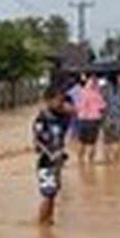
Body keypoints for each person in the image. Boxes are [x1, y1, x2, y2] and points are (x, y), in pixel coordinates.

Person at [34, 85, 71, 226]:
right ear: (48, 101)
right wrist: (51, 154)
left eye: (62, 100)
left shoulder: (61, 117)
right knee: (48, 195)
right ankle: (42, 224)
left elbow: (75, 113)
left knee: (54, 193)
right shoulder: (42, 118)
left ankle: (49, 221)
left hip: (57, 161)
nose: (61, 103)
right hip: (46, 161)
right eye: (57, 100)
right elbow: (37, 142)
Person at [75, 75, 105, 162]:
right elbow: (102, 107)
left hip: (83, 120)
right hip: (94, 120)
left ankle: (80, 161)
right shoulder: (98, 94)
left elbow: (79, 106)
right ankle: (90, 161)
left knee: (81, 141)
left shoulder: (82, 93)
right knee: (92, 142)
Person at [100, 73, 120, 162]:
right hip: (119, 116)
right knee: (117, 140)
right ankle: (116, 159)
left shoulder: (103, 88)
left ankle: (107, 160)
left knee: (107, 140)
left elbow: (101, 102)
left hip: (107, 116)